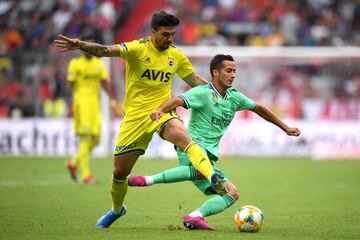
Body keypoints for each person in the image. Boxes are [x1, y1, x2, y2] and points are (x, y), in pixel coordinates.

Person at [54, 11, 225, 228]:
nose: (170, 39)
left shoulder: (176, 56)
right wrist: (80, 44)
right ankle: (117, 210)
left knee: (182, 136)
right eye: (165, 34)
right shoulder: (136, 49)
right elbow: (104, 51)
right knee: (119, 172)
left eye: (172, 34)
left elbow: (195, 81)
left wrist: (218, 93)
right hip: (134, 119)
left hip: (162, 112)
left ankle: (212, 176)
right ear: (153, 32)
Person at [128, 54, 301, 230]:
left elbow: (260, 109)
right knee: (200, 171)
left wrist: (285, 127)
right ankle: (146, 180)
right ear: (216, 72)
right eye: (229, 70)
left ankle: (195, 217)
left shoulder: (235, 97)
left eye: (234, 71)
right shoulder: (203, 92)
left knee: (232, 193)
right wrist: (159, 110)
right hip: (191, 146)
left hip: (210, 156)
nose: (233, 74)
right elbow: (178, 100)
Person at [65, 30, 117, 184]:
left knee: (96, 139)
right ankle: (86, 174)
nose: (89, 47)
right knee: (85, 138)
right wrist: (69, 106)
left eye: (91, 44)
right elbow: (70, 86)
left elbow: (104, 83)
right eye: (86, 44)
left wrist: (113, 100)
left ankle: (74, 163)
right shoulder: (75, 64)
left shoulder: (98, 63)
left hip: (95, 105)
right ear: (81, 46)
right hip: (81, 104)